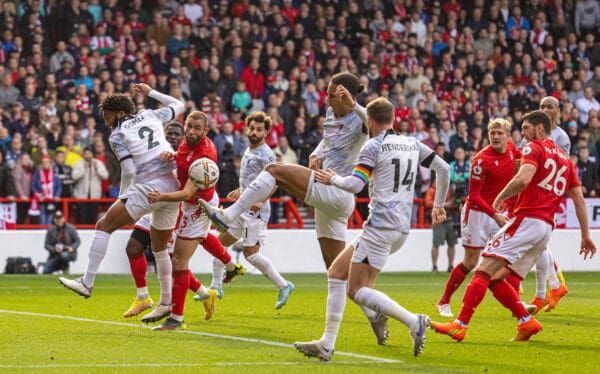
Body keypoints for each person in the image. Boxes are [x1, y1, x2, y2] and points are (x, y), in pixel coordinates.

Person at [199, 73, 388, 334]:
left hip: (337, 190)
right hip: (328, 200)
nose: (327, 99)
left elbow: (376, 119)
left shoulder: (360, 118)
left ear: (345, 95)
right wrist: (315, 153)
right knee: (335, 272)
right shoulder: (332, 114)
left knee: (275, 169)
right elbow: (329, 140)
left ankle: (228, 215)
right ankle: (374, 315)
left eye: (332, 94)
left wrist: (354, 103)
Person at [293, 97, 451, 361]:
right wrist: (438, 205)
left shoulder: (373, 146)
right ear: (392, 118)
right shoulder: (412, 143)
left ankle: (414, 321)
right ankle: (326, 344)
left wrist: (333, 179)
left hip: (380, 226)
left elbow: (356, 184)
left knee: (356, 289)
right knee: (337, 273)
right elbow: (443, 168)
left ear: (369, 121)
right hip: (400, 227)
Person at [431, 110, 596, 342]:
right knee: (497, 277)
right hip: (546, 228)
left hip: (527, 220)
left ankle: (460, 325)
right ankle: (526, 321)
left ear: (539, 129)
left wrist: (499, 198)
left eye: (526, 128)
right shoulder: (565, 159)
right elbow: (578, 198)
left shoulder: (533, 147)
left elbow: (523, 179)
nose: (523, 134)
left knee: (482, 270)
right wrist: (586, 235)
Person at [59, 83, 185, 321]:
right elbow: (179, 105)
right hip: (173, 185)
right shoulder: (151, 114)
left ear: (117, 113)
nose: (105, 121)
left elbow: (128, 170)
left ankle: (87, 282)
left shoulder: (117, 135)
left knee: (103, 225)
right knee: (159, 248)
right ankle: (166, 302)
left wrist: (124, 196)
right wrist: (150, 93)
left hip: (149, 187)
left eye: (106, 116)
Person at [145, 111, 245, 330]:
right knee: (182, 250)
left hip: (197, 207)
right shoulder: (185, 143)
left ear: (205, 131)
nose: (190, 131)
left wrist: (160, 197)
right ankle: (222, 273)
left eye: (196, 128)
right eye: (188, 126)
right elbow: (184, 160)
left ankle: (176, 317)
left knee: (178, 261)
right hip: (191, 204)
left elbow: (186, 192)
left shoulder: (204, 158)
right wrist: (173, 157)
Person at [202, 111, 294, 309]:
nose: (254, 132)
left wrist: (261, 200)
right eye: (251, 128)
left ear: (266, 132)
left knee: (250, 254)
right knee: (219, 246)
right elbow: (252, 180)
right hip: (242, 207)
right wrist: (240, 190)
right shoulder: (248, 149)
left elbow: (275, 181)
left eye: (259, 129)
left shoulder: (267, 153)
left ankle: (284, 285)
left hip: (256, 212)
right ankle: (216, 287)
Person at [436, 118, 521, 318]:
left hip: (498, 214)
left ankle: (517, 303)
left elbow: (524, 163)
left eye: (500, 133)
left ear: (508, 136)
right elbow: (474, 196)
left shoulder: (511, 150)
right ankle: (444, 301)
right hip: (478, 214)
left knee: (510, 257)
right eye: (493, 133)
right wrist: (496, 215)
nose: (496, 137)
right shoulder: (481, 160)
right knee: (471, 262)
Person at [527, 96, 570, 314]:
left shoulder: (561, 137)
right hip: (533, 195)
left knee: (538, 244)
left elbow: (560, 168)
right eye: (542, 106)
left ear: (558, 112)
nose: (545, 109)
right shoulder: (535, 133)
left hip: (547, 197)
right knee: (538, 244)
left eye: (549, 106)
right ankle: (553, 287)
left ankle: (548, 290)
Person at [426, 180, 457, 274]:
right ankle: (434, 266)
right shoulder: (432, 190)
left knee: (452, 243)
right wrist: (443, 204)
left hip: (449, 219)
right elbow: (427, 203)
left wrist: (455, 204)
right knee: (436, 244)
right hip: (438, 220)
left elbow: (455, 203)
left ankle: (450, 265)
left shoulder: (451, 189)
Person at [72, 147, 109, 224]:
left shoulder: (98, 163)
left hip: (94, 195)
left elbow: (105, 176)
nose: (87, 155)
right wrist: (83, 169)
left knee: (92, 216)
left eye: (89, 153)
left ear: (92, 154)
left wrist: (97, 169)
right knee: (82, 216)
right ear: (83, 154)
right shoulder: (78, 163)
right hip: (81, 195)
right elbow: (74, 177)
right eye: (86, 153)